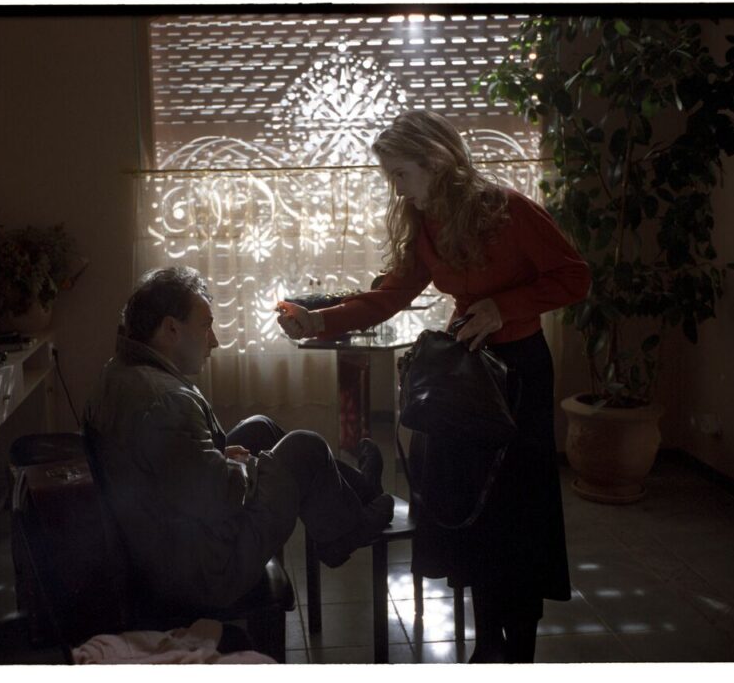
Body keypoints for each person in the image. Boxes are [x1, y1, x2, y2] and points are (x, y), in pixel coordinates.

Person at [277, 110, 591, 663]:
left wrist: (502, 307)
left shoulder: (506, 210)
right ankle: (487, 642)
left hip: (516, 373)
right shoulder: (423, 222)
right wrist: (317, 321)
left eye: (400, 174)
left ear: (436, 161)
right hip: (463, 375)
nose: (395, 187)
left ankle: (518, 649)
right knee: (466, 511)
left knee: (515, 514)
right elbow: (390, 296)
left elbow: (575, 276)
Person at [84, 266, 394, 614]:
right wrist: (240, 465)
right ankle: (345, 534)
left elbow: (174, 472)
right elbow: (219, 501)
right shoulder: (167, 401)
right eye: (206, 326)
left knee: (260, 428)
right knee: (304, 447)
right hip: (204, 568)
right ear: (171, 328)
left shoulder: (121, 370)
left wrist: (223, 459)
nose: (214, 340)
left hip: (168, 536)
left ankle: (361, 493)